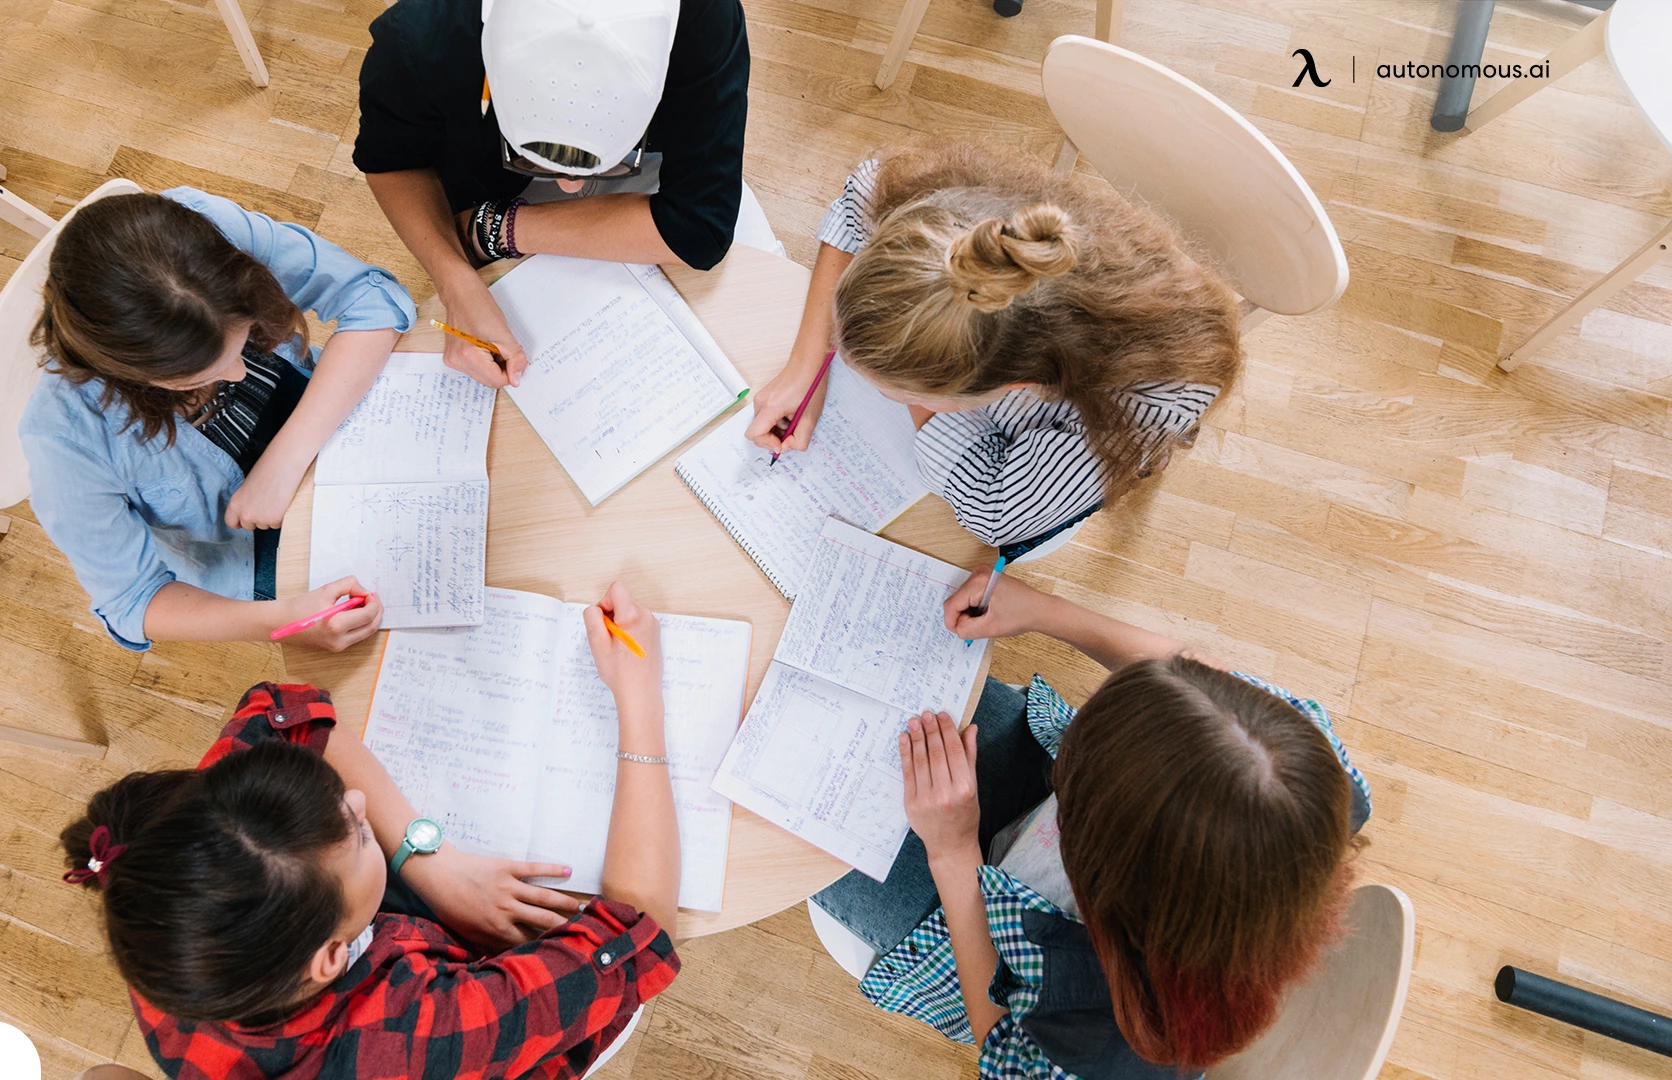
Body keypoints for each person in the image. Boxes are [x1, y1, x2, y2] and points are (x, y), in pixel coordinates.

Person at [62, 582, 681, 1080]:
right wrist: (637, 696)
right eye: (359, 833)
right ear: (333, 956)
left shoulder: (177, 901)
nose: (360, 800)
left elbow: (278, 713)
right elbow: (639, 931)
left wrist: (424, 857)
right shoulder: (404, 1041)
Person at [811, 569, 1371, 1077]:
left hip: (972, 940)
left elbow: (1003, 1043)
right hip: (1022, 856)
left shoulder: (1098, 1050)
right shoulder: (1297, 763)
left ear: (1099, 865)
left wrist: (953, 852)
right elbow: (1193, 681)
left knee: (803, 817)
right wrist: (1046, 613)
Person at [746, 144, 1244, 558]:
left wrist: (911, 380)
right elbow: (862, 187)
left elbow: (996, 511)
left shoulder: (1145, 398)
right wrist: (805, 363)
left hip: (1144, 373)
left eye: (901, 393)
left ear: (1016, 386)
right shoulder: (945, 218)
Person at [22, 187, 414, 653]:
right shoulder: (66, 438)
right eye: (200, 377)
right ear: (133, 374)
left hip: (335, 418)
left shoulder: (202, 239)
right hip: (255, 547)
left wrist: (284, 461)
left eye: (246, 340)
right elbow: (134, 600)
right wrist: (285, 619)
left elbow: (371, 297)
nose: (240, 373)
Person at [355, 0, 779, 392]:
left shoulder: (702, 14)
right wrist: (454, 281)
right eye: (535, 159)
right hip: (493, 186)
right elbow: (392, 162)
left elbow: (701, 226)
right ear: (488, 85)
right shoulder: (422, 36)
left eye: (607, 164)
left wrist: (500, 228)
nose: (570, 188)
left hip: (519, 208)